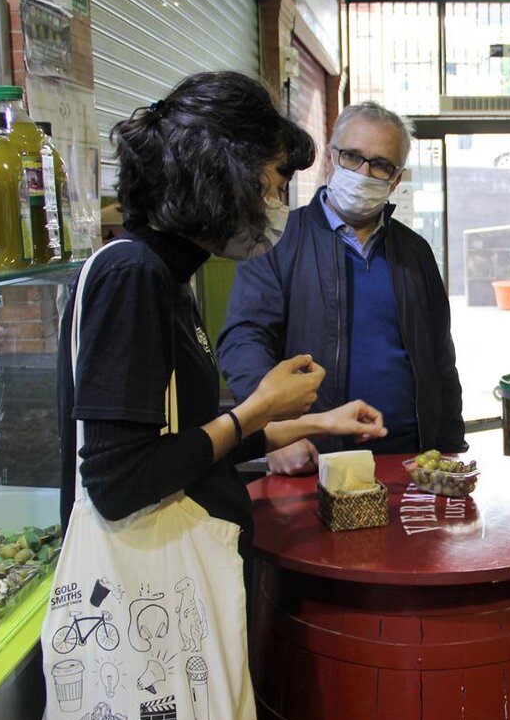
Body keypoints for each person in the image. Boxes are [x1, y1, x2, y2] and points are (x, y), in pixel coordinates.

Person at [55, 71, 386, 597]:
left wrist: (317, 421)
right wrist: (260, 407)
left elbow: (190, 444)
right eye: (274, 182)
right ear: (221, 173)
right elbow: (120, 482)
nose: (277, 201)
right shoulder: (133, 275)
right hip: (151, 599)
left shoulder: (169, 275)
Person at [218, 101, 466, 475]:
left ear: (396, 180)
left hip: (410, 460)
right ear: (332, 157)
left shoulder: (415, 252)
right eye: (352, 157)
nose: (363, 173)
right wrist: (274, 429)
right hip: (312, 459)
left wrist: (450, 447)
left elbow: (440, 360)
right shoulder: (278, 240)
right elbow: (244, 340)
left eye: (380, 165)